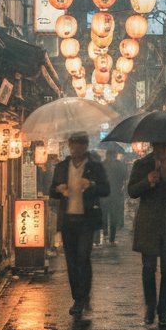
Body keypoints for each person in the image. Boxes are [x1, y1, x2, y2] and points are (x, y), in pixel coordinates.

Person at [127, 141, 166, 328]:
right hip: (149, 223)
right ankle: (150, 308)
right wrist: (147, 182)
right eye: (158, 147)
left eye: (165, 147)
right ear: (153, 147)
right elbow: (131, 191)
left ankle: (164, 312)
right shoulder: (141, 165)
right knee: (148, 268)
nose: (162, 151)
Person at [48, 132, 110, 317]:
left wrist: (91, 184)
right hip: (68, 220)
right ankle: (78, 296)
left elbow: (106, 189)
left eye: (81, 144)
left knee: (83, 257)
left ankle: (82, 297)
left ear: (86, 146)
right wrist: (59, 190)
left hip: (86, 220)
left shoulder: (94, 166)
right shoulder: (61, 167)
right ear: (69, 145)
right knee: (72, 261)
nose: (77, 148)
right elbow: (52, 190)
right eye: (74, 145)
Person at [102, 149, 129, 245]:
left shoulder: (102, 164)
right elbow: (125, 177)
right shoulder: (120, 165)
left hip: (104, 195)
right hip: (116, 194)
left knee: (104, 214)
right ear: (115, 155)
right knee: (113, 216)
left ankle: (105, 233)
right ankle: (112, 238)